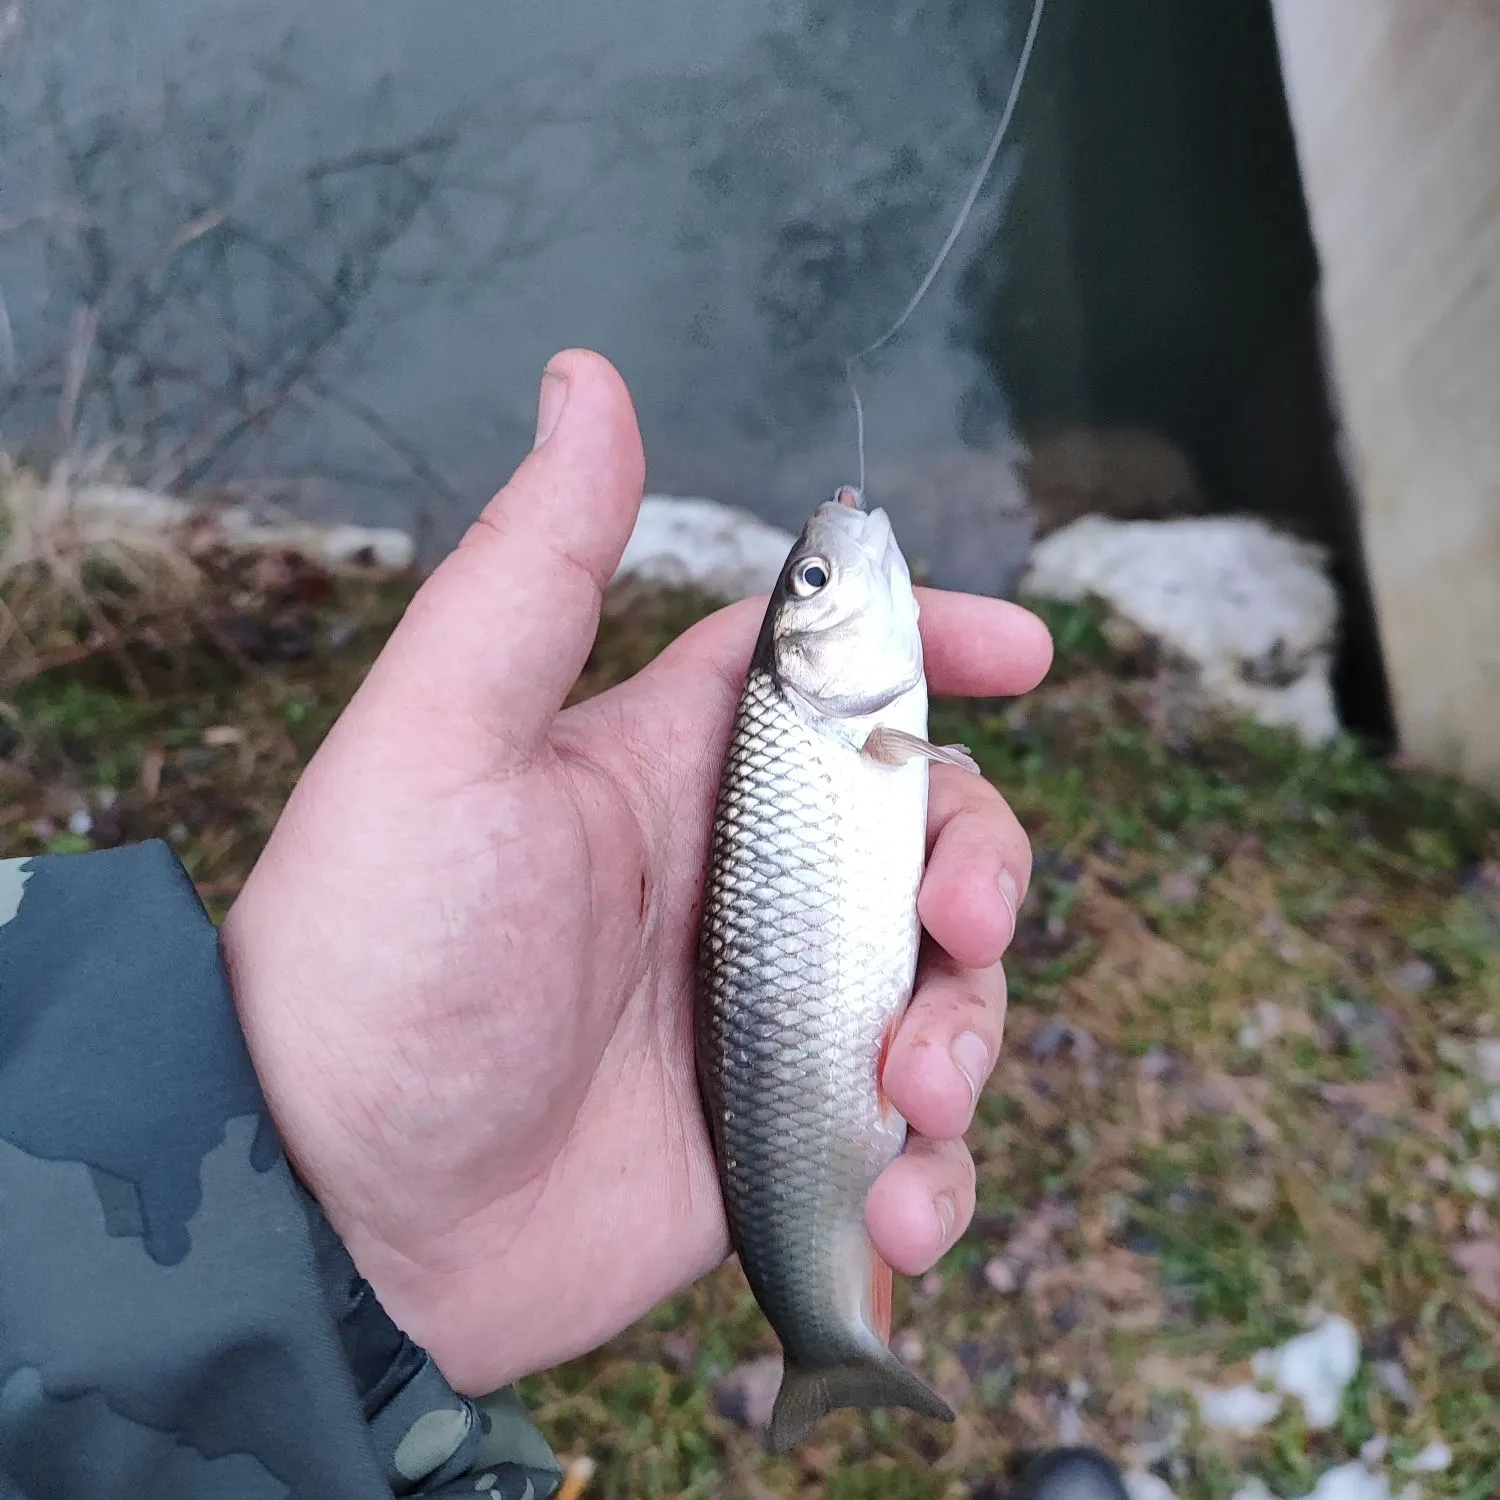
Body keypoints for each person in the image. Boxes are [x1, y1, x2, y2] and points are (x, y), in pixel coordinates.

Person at [0, 350, 1127, 1499]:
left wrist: (325, 1188)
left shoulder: (832, 723)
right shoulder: (828, 720)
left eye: (811, 588)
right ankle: (830, 1340)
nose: (836, 556)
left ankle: (832, 1334)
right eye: (814, 587)